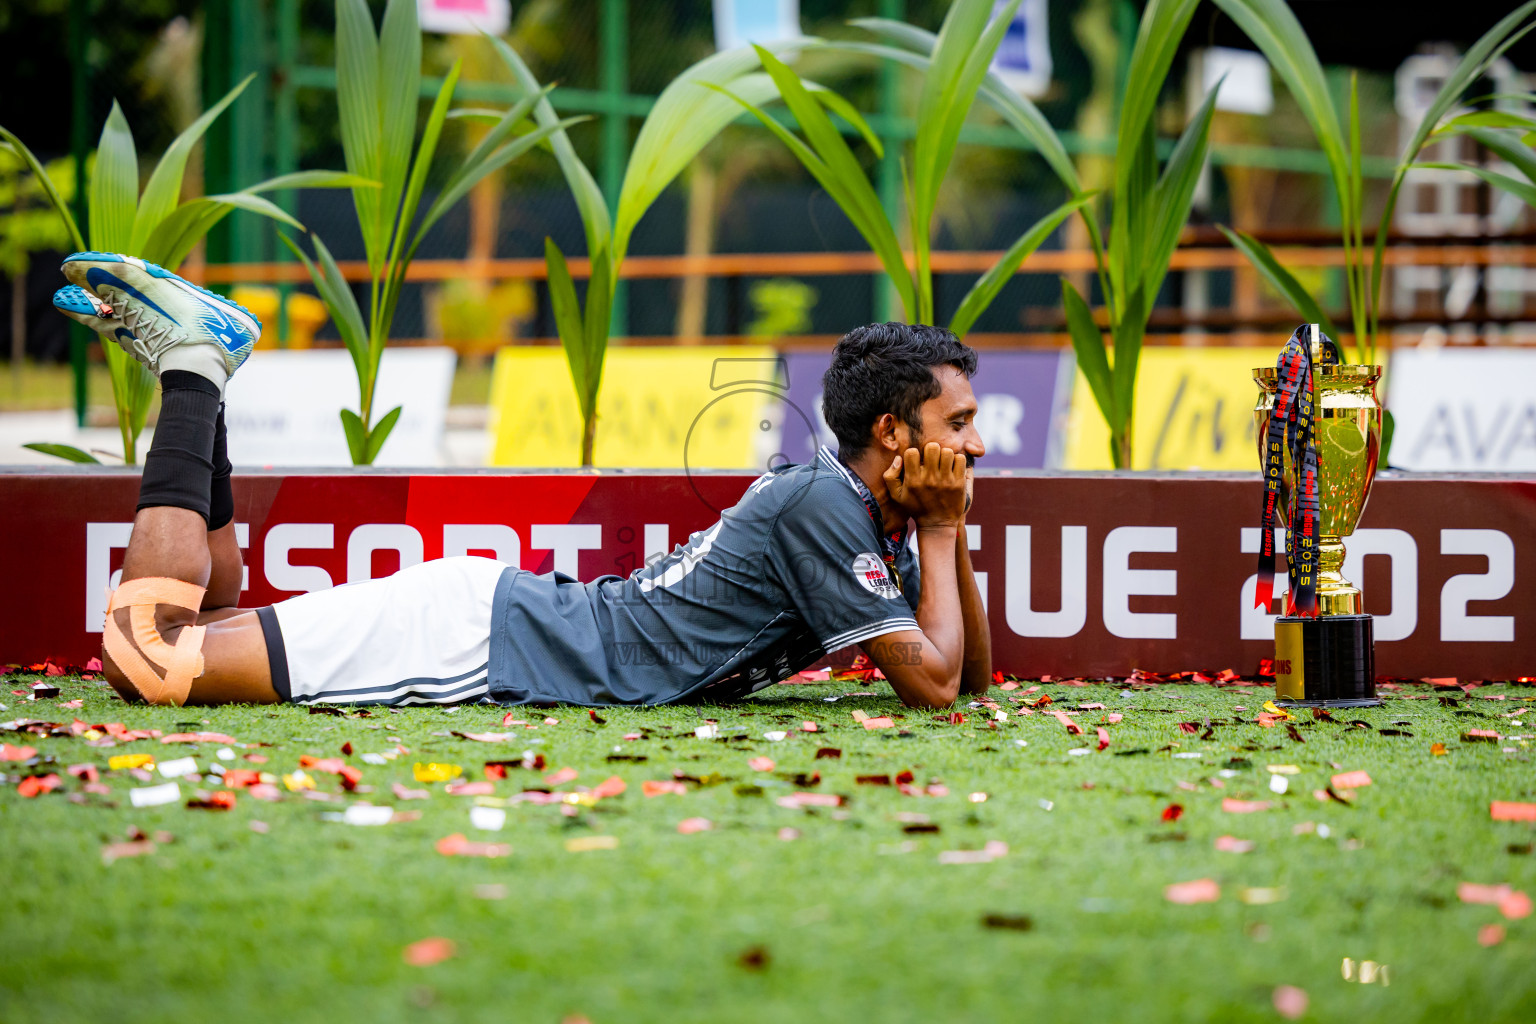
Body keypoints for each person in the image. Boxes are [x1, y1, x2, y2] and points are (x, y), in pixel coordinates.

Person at [51, 252, 990, 710]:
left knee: (207, 628)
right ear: (889, 431)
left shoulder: (868, 513)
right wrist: (946, 531)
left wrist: (944, 527)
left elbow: (972, 675)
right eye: (958, 424)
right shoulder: (825, 504)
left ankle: (203, 385)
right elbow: (937, 690)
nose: (976, 446)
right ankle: (193, 372)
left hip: (496, 624)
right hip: (486, 642)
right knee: (152, 658)